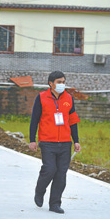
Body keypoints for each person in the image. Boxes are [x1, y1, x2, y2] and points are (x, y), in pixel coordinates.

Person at [29, 71, 81, 214]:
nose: (62, 84)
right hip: (47, 141)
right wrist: (32, 140)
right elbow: (35, 119)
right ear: (51, 83)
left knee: (61, 175)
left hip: (65, 143)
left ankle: (55, 204)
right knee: (50, 169)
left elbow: (73, 121)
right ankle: (39, 191)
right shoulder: (41, 97)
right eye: (59, 82)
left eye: (63, 82)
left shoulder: (69, 98)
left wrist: (76, 141)